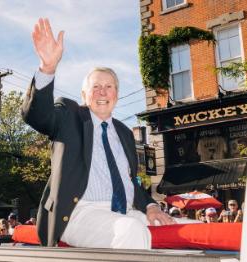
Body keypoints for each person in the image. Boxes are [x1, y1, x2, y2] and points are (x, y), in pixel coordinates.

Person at [21, 17, 174, 249]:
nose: (103, 91)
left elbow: (130, 182)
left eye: (109, 86)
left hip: (123, 212)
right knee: (132, 231)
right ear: (84, 96)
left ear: (116, 94)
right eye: (95, 87)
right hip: (77, 213)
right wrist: (48, 68)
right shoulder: (69, 115)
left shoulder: (123, 132)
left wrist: (151, 206)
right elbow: (37, 116)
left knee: (176, 227)